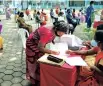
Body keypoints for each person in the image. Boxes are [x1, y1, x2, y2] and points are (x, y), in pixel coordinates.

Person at [26, 21, 69, 86]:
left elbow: (52, 36)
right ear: (57, 30)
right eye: (62, 33)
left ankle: (39, 77)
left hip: (38, 42)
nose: (62, 35)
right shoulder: (48, 33)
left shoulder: (54, 28)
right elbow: (40, 48)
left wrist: (53, 42)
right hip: (32, 44)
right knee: (35, 61)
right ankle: (34, 79)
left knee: (41, 58)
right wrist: (51, 51)